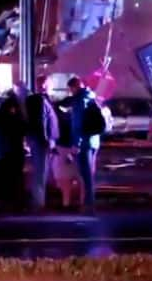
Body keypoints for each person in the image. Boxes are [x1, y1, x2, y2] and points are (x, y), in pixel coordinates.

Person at [66, 76, 101, 212]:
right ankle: (89, 203)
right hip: (94, 141)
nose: (70, 92)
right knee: (89, 174)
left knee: (85, 174)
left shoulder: (79, 100)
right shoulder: (91, 97)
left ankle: (88, 204)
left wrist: (76, 144)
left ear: (74, 87)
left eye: (70, 89)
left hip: (84, 143)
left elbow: (78, 124)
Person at [0, 92, 26, 210]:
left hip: (0, 154)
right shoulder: (15, 118)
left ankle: (1, 201)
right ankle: (15, 202)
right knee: (15, 178)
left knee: (1, 178)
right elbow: (21, 130)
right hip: (13, 153)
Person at [25, 92, 59, 210]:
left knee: (39, 171)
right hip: (42, 142)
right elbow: (43, 123)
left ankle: (38, 200)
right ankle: (38, 202)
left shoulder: (33, 103)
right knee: (41, 172)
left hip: (37, 140)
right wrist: (47, 141)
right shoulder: (42, 103)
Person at [52, 101, 83, 208]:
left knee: (64, 179)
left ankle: (66, 203)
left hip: (62, 148)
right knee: (79, 177)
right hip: (74, 148)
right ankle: (82, 202)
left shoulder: (58, 117)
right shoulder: (77, 116)